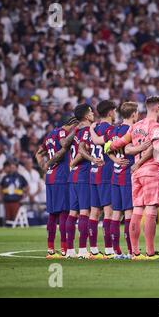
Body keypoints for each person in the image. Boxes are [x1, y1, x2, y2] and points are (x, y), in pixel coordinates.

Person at [107, 96, 159, 260]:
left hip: (136, 174)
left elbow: (122, 145)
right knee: (151, 210)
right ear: (157, 108)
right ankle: (149, 252)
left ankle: (135, 252)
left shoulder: (136, 126)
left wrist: (109, 146)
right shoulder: (155, 126)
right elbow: (154, 147)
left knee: (137, 210)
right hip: (150, 170)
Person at [107, 102, 149, 259]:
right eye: (137, 112)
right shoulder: (131, 130)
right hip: (127, 175)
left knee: (116, 214)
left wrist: (114, 160)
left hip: (115, 175)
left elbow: (107, 148)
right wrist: (143, 146)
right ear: (133, 115)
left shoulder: (115, 129)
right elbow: (128, 149)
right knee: (130, 213)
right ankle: (132, 251)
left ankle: (116, 251)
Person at [35, 116, 78, 258]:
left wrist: (44, 167)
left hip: (50, 177)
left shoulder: (49, 135)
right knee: (64, 213)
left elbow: (38, 153)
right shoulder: (62, 133)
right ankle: (65, 249)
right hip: (62, 177)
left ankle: (50, 249)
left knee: (52, 215)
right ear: (72, 123)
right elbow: (64, 145)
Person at [66, 104, 103, 259]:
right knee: (84, 212)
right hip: (83, 175)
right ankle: (82, 250)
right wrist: (91, 159)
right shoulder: (87, 131)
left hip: (73, 177)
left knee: (72, 213)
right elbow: (82, 150)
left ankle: (69, 250)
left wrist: (72, 165)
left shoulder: (76, 132)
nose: (93, 113)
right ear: (87, 116)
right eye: (91, 112)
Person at [87, 100, 117, 259]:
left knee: (93, 213)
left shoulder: (94, 128)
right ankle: (108, 249)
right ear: (111, 112)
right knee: (108, 213)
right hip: (106, 174)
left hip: (93, 174)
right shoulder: (111, 130)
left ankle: (93, 249)